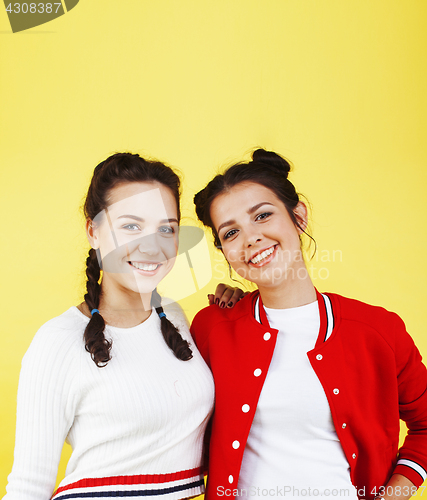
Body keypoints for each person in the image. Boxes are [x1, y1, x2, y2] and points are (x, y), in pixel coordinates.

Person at [191, 149, 427, 500]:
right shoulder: (212, 328)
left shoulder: (379, 330)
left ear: (298, 216)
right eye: (230, 233)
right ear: (224, 252)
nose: (250, 238)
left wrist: (393, 495)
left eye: (263, 215)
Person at [4, 152, 242, 500]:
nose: (152, 246)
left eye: (166, 229)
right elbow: (27, 488)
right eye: (131, 226)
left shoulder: (174, 317)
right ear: (94, 231)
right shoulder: (57, 342)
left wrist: (244, 309)